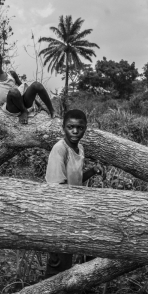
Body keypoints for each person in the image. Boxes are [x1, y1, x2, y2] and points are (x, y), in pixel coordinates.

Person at [44, 109, 105, 276]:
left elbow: (75, 181)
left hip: (73, 208)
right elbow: (58, 188)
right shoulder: (60, 149)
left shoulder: (80, 148)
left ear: (85, 128)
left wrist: (92, 171)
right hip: (60, 210)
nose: (75, 131)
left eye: (80, 127)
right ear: (63, 127)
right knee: (59, 260)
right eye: (71, 127)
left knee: (81, 252)